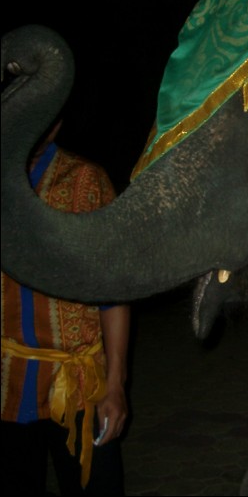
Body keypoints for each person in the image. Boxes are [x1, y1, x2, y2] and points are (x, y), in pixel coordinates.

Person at [1, 119, 130, 496]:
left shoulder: (86, 181)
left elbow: (113, 291)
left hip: (80, 386)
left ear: (57, 122)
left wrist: (115, 385)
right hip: (6, 384)